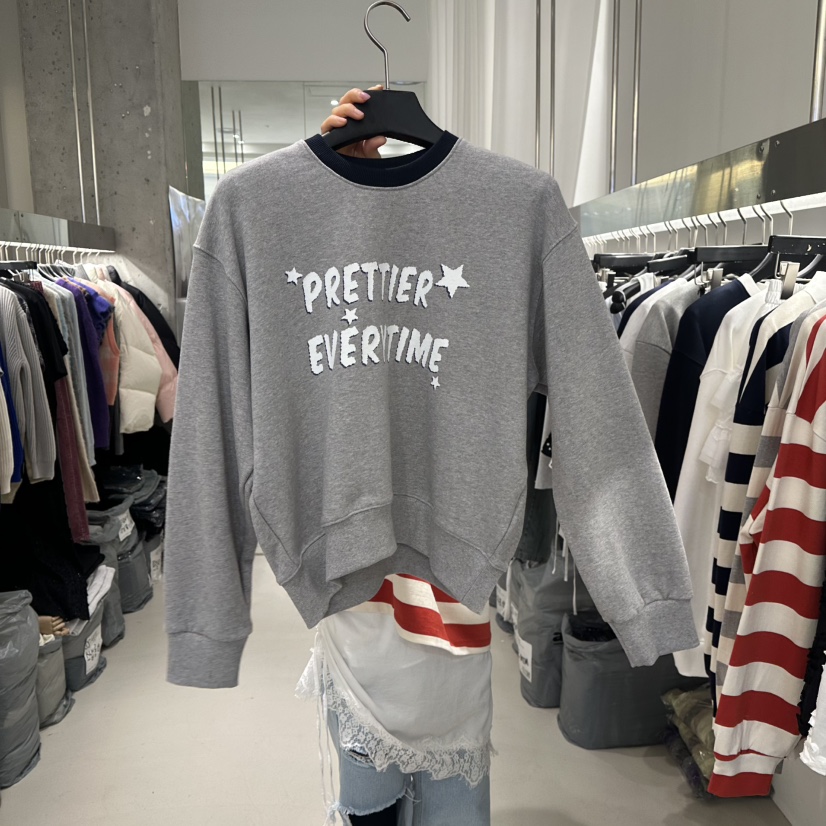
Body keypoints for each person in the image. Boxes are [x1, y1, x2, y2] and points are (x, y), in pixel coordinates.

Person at [298, 87, 494, 826]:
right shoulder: (293, 221)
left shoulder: (497, 215)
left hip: (449, 595)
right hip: (357, 598)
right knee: (374, 801)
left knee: (443, 799)